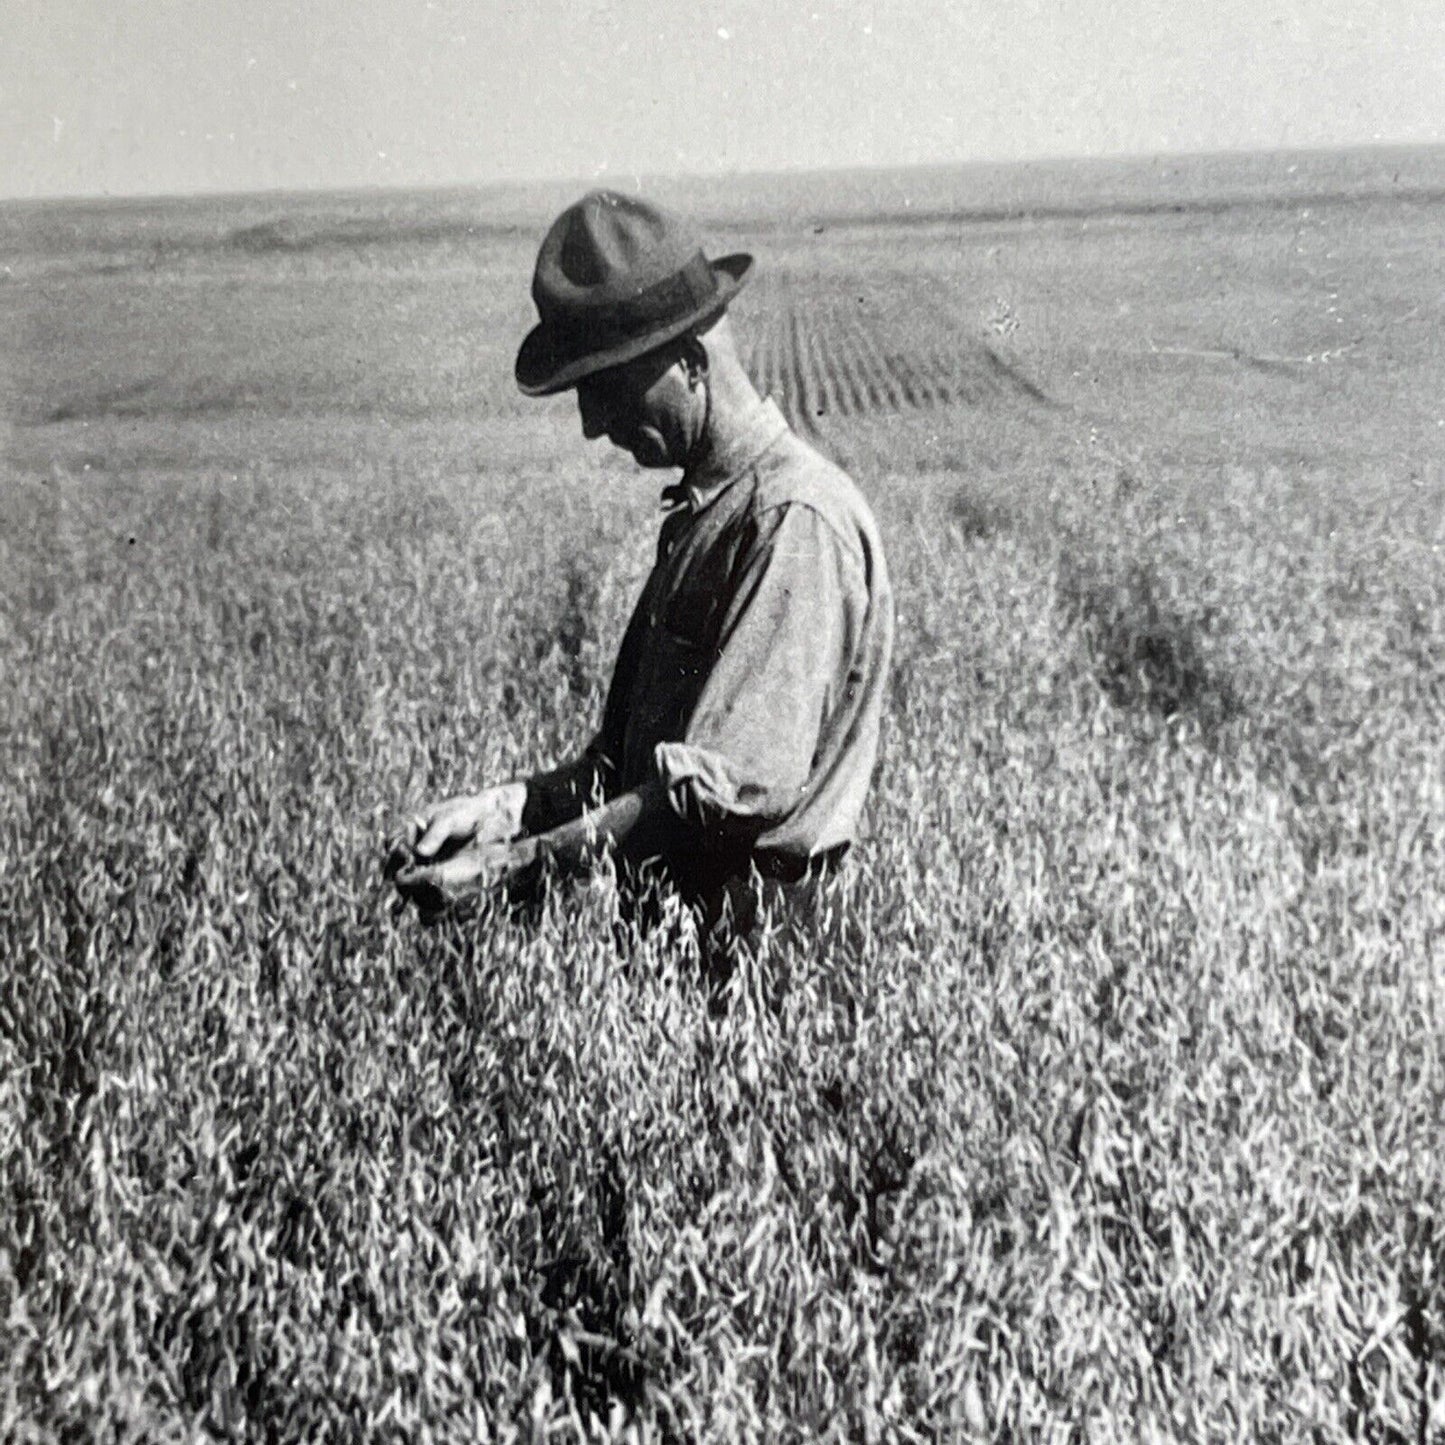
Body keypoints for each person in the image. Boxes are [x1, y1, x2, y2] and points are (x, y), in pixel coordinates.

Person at [390, 190, 893, 976]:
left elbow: (723, 791)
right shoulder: (715, 514)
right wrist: (512, 809)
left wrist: (517, 869)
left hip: (761, 968)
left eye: (607, 387)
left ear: (691, 364)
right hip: (688, 959)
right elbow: (631, 770)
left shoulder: (791, 522)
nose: (594, 423)